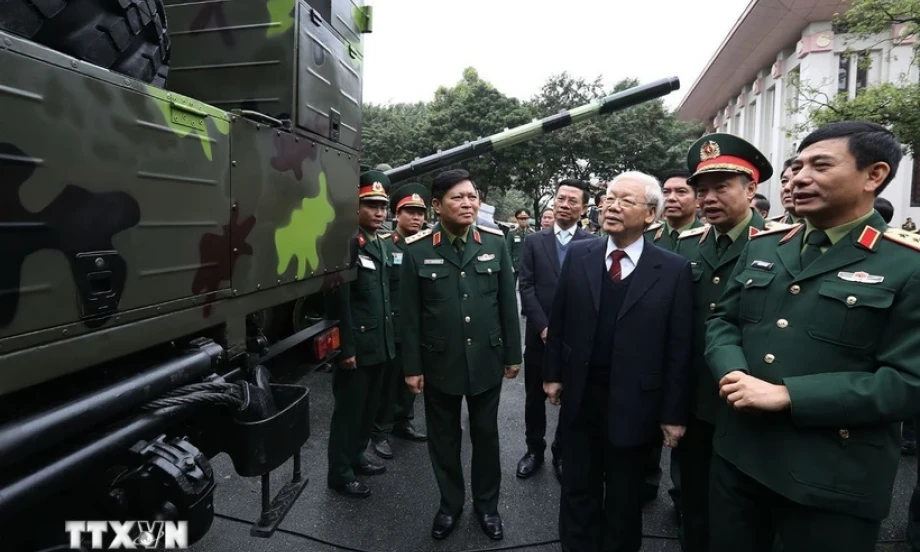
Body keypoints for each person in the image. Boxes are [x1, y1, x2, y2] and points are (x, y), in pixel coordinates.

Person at [705, 121, 920, 552]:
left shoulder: (906, 265)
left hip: (832, 477)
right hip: (740, 457)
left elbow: (908, 383)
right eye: (797, 165)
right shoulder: (765, 246)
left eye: (820, 166)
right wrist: (733, 375)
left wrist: (789, 396)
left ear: (874, 176)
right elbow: (723, 321)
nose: (799, 177)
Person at [543, 171, 692, 552]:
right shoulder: (581, 254)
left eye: (626, 200)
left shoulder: (673, 270)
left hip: (636, 402)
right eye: (609, 197)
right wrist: (554, 374)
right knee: (577, 488)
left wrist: (673, 414)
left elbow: (678, 347)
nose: (612, 205)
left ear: (650, 215)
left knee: (626, 498)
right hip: (581, 396)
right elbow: (558, 320)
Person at [399, 168, 522, 541]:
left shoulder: (495, 242)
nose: (468, 203)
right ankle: (450, 504)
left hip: (486, 357)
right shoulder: (418, 248)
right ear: (437, 205)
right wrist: (412, 368)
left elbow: (506, 304)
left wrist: (513, 356)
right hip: (439, 361)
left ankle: (487, 506)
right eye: (458, 197)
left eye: (472, 196)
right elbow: (410, 315)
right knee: (444, 439)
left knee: (486, 436)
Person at [673, 133, 775, 552]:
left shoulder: (779, 246)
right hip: (693, 400)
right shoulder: (683, 246)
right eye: (701, 190)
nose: (707, 198)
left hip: (748, 402)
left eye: (721, 187)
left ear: (751, 190)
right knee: (691, 498)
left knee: (746, 514)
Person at [516, 178, 594, 483]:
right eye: (561, 199)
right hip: (539, 335)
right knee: (534, 396)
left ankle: (562, 452)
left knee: (573, 396)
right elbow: (526, 285)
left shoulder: (593, 243)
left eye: (573, 200)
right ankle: (534, 449)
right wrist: (544, 326)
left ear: (584, 208)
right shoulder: (535, 241)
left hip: (576, 339)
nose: (565, 204)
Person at [325, 170, 396, 498]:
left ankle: (356, 456)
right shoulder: (346, 243)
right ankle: (339, 473)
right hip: (357, 347)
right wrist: (347, 348)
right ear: (356, 207)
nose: (379, 212)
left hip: (378, 345)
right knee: (349, 412)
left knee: (368, 409)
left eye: (383, 206)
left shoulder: (379, 244)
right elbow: (341, 304)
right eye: (371, 205)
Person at [641, 168, 701, 516]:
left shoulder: (706, 238)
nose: (674, 198)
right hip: (649, 350)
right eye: (668, 192)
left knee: (683, 428)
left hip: (688, 350)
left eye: (682, 192)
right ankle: (646, 482)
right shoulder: (650, 237)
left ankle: (681, 495)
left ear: (696, 199)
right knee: (645, 423)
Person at [370, 183, 430, 461]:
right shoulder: (383, 245)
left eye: (420, 212)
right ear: (397, 215)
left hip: (418, 327)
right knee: (388, 382)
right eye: (410, 212)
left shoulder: (426, 248)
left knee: (413, 379)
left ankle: (403, 421)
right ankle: (380, 430)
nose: (416, 217)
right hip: (392, 327)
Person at [505, 209, 534, 279]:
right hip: (515, 266)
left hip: (528, 266)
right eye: (521, 218)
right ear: (517, 219)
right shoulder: (512, 233)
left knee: (526, 287)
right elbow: (508, 251)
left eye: (526, 218)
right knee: (512, 286)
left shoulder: (532, 233)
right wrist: (510, 265)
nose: (523, 220)